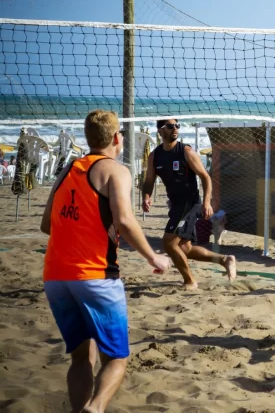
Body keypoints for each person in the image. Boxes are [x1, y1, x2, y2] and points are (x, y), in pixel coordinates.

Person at [41, 109, 171, 413]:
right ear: (117, 138)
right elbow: (125, 221)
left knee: (81, 357)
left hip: (56, 276)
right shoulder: (116, 170)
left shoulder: (68, 168)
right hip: (95, 275)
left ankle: (80, 409)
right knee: (117, 359)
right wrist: (154, 257)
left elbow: (47, 224)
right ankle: (95, 408)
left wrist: (83, 225)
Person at [142, 119, 236, 289]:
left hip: (189, 203)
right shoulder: (154, 156)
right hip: (176, 204)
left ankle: (190, 281)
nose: (175, 129)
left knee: (169, 243)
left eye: (177, 125)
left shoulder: (186, 151)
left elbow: (205, 177)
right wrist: (146, 196)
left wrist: (207, 203)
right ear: (161, 131)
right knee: (185, 248)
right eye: (170, 126)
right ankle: (225, 260)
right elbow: (149, 180)